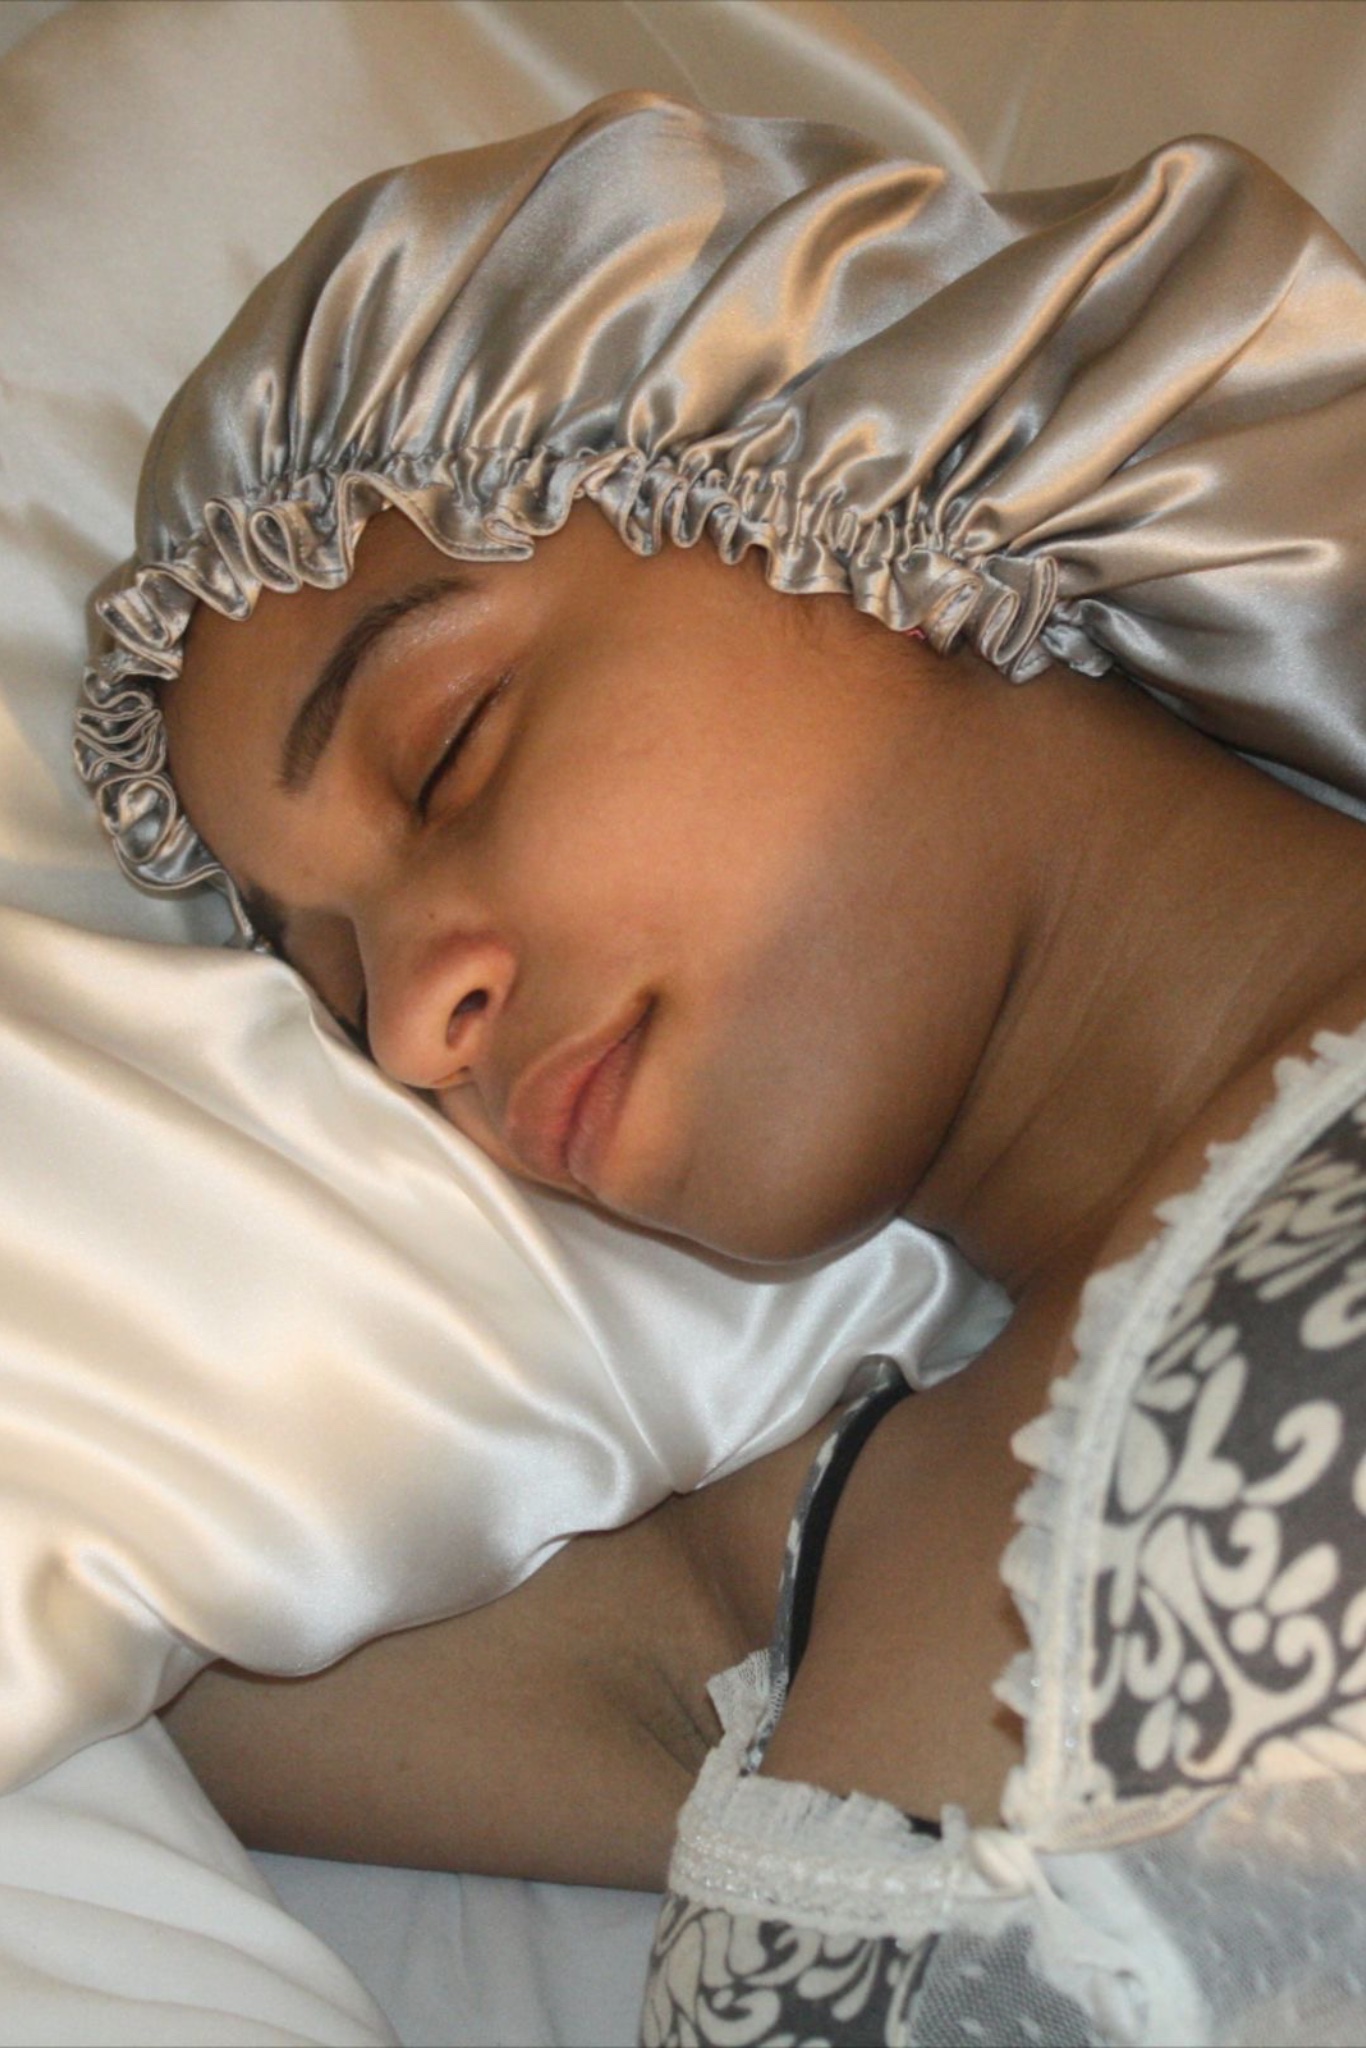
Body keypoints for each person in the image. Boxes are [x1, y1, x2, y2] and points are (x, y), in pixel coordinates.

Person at [76, 93, 1366, 2043]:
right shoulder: (780, 1597)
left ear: (845, 484)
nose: (414, 1028)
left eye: (444, 749)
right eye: (335, 989)